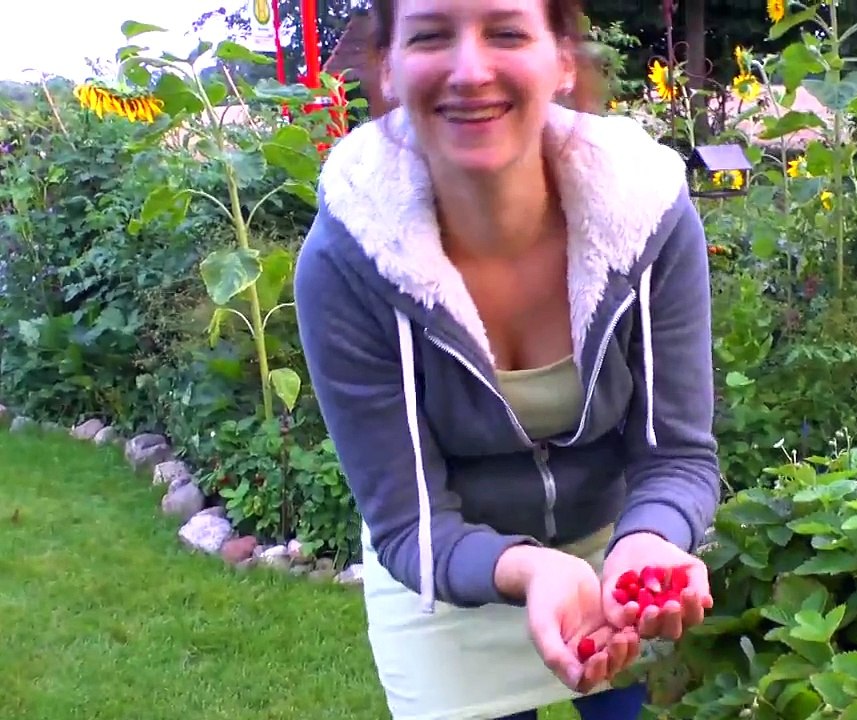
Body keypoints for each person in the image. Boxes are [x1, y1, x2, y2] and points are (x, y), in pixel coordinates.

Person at [293, 0, 722, 718]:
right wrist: (531, 569)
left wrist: (651, 538)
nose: (470, 70)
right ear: (388, 68)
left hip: (618, 554)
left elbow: (676, 454)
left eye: (506, 32)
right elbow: (410, 522)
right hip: (447, 577)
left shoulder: (648, 215)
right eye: (431, 35)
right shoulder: (346, 262)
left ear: (562, 60)